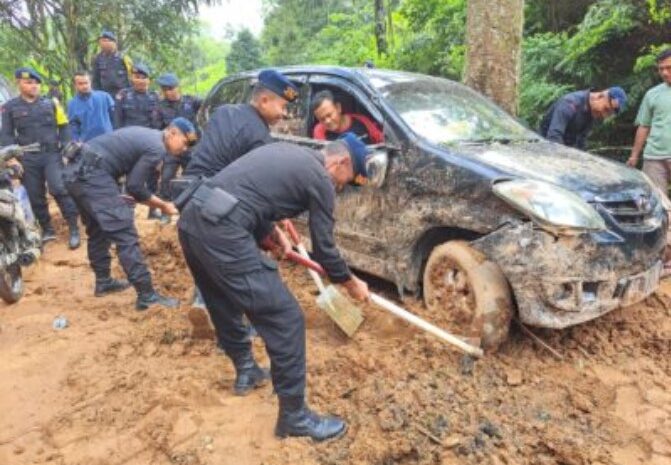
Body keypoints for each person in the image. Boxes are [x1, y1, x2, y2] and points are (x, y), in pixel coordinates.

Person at [176, 134, 371, 441]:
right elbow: (325, 248)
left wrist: (269, 232)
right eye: (346, 181)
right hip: (222, 229)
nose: (341, 187)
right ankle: (295, 418)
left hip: (193, 218)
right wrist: (350, 282)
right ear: (341, 162)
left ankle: (246, 369)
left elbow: (248, 193)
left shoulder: (290, 153)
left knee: (220, 299)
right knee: (286, 317)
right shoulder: (320, 178)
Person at [63, 119, 197, 309]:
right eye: (185, 142)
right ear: (173, 133)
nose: (185, 149)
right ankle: (147, 297)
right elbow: (135, 187)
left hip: (75, 173)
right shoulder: (157, 147)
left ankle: (104, 282)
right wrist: (163, 205)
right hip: (92, 176)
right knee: (125, 233)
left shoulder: (149, 136)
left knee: (98, 229)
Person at [0, 67, 81, 249]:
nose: (33, 86)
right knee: (35, 196)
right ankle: (47, 229)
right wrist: (12, 159)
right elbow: (6, 135)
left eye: (36, 83)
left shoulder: (51, 103)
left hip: (52, 154)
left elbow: (64, 126)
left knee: (58, 188)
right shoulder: (9, 108)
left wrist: (67, 150)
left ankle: (74, 227)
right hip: (27, 157)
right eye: (28, 82)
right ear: (18, 83)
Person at [184, 69, 298, 178]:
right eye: (283, 107)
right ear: (264, 101)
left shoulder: (223, 111)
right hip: (212, 194)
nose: (285, 113)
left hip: (187, 187)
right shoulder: (259, 137)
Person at [626, 49, 671, 274]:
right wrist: (635, 155)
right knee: (657, 207)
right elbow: (644, 125)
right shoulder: (652, 94)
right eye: (661, 69)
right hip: (654, 156)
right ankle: (664, 258)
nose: (664, 72)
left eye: (669, 68)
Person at [156, 73, 201, 204]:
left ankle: (189, 206)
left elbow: (207, 109)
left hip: (191, 147)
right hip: (172, 150)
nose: (169, 92)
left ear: (178, 87)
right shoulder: (160, 107)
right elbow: (158, 129)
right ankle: (165, 210)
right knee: (166, 179)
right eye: (165, 90)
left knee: (192, 178)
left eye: (171, 89)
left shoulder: (192, 101)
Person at [539, 86, 628, 149]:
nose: (604, 115)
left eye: (608, 114)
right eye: (606, 109)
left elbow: (581, 143)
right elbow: (554, 136)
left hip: (565, 150)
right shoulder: (570, 103)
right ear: (599, 96)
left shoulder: (592, 113)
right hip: (545, 146)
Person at [311, 90, 383, 144]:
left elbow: (381, 141)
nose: (327, 121)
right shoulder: (320, 130)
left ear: (338, 108)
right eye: (322, 119)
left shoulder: (361, 120)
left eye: (329, 115)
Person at [67, 71, 115, 142]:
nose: (84, 86)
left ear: (90, 83)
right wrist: (76, 142)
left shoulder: (105, 97)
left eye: (86, 83)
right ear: (75, 85)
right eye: (80, 84)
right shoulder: (72, 104)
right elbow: (74, 127)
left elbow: (115, 117)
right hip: (88, 144)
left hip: (108, 140)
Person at [113, 63, 160, 129]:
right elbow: (117, 121)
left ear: (149, 80)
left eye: (143, 78)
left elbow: (158, 123)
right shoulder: (123, 95)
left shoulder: (155, 97)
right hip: (127, 135)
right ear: (132, 79)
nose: (140, 81)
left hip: (147, 135)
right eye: (137, 77)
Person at [91, 30, 133, 98]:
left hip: (122, 94)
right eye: (102, 41)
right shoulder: (98, 59)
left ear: (114, 43)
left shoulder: (124, 58)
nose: (105, 43)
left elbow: (132, 78)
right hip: (105, 95)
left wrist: (129, 93)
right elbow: (95, 80)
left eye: (107, 41)